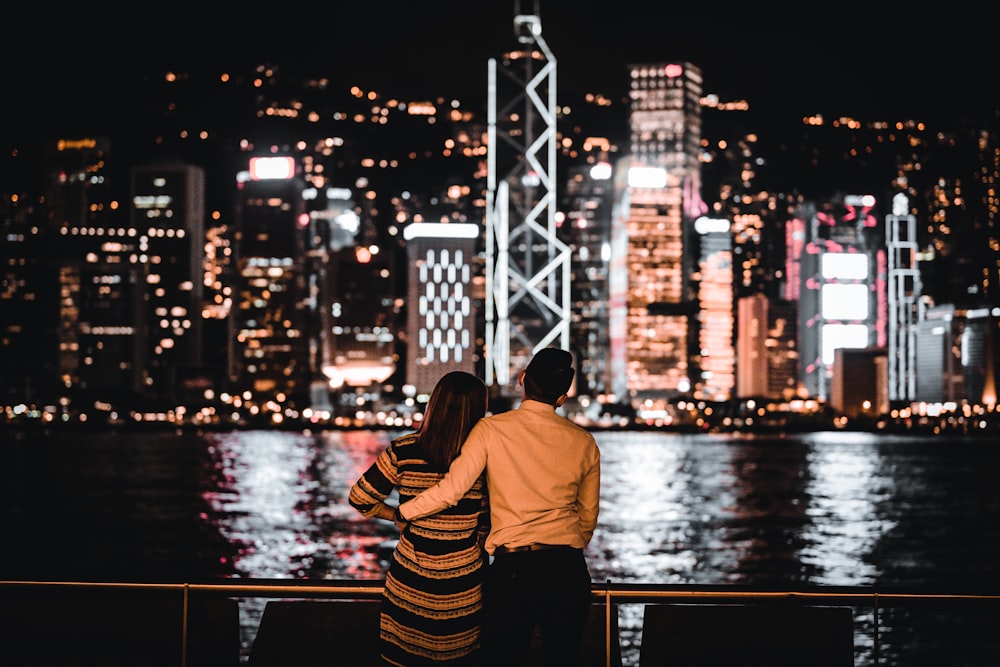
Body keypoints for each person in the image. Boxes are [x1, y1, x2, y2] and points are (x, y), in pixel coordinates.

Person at [396, 348, 601, 666]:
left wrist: (403, 512)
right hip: (568, 569)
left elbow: (451, 492)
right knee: (564, 658)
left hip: (514, 570)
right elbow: (587, 516)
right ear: (563, 396)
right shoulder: (584, 442)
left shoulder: (490, 430)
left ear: (522, 380)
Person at [349, 371, 490, 666]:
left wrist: (398, 518)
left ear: (434, 405)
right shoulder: (485, 461)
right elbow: (486, 523)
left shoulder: (404, 450)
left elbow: (361, 498)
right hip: (463, 584)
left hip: (409, 580)